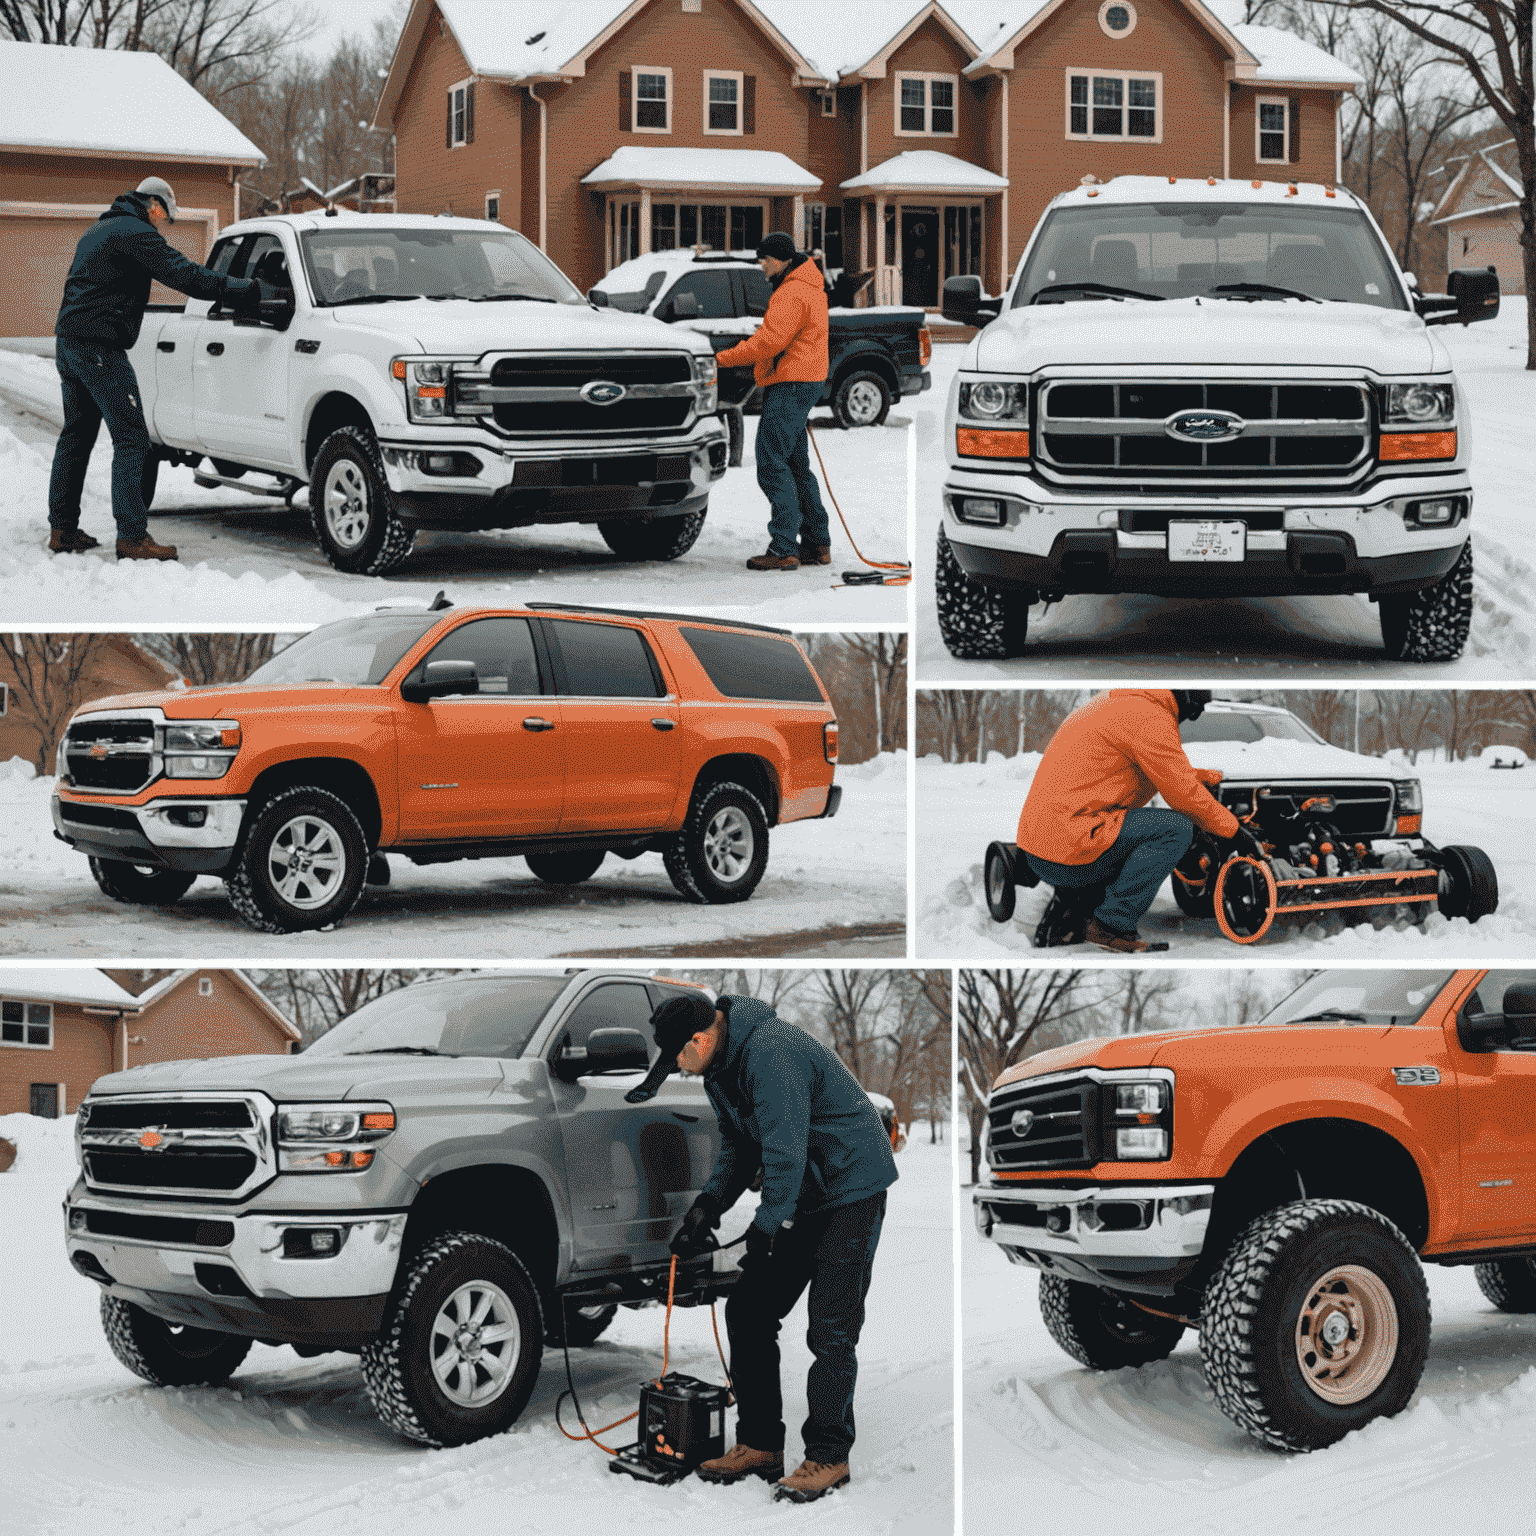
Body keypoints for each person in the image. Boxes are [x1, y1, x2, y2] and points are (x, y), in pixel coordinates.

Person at [629, 990, 898, 1503]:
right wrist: (706, 1208)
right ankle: (759, 1444)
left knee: (831, 1326)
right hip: (802, 1188)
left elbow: (784, 1149)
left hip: (851, 1189)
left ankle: (828, 1454)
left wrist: (767, 1225)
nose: (679, 1070)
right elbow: (739, 1146)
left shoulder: (771, 1052)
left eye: (679, 1057)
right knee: (749, 1310)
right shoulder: (719, 1069)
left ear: (701, 1038)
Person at [48, 176, 261, 562]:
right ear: (154, 205)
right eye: (164, 215)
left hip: (70, 341)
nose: (163, 223)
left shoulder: (100, 230)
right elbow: (185, 275)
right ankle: (132, 538)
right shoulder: (135, 231)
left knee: (76, 436)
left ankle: (62, 530)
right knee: (132, 439)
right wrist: (241, 289)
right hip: (99, 346)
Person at [1016, 689, 1258, 953]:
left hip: (1043, 846)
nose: (1193, 716)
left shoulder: (1119, 703)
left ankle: (1069, 912)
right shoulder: (1149, 716)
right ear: (1185, 697)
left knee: (1129, 831)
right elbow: (1182, 793)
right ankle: (1112, 925)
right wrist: (1235, 832)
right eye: (1196, 708)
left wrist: (1196, 777)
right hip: (1070, 850)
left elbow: (1153, 766)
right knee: (1174, 830)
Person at [714, 232, 832, 571]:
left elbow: (769, 341)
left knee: (771, 462)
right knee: (796, 466)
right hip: (806, 380)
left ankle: (783, 548)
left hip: (791, 383)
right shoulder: (809, 287)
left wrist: (723, 358)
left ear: (780, 260)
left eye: (764, 258)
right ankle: (816, 544)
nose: (761, 265)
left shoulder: (792, 292)